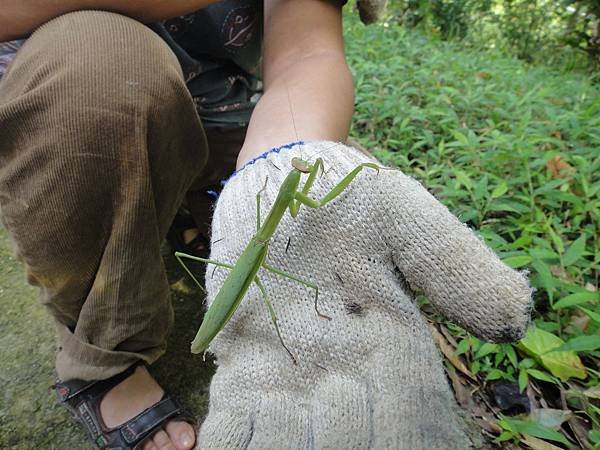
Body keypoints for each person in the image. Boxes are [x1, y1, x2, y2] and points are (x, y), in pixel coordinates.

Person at [0, 1, 532, 449]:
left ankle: (197, 212)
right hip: (83, 104)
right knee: (95, 71)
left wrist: (299, 156)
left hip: (235, 126)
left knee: (336, 193)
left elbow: (308, 51)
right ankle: (104, 359)